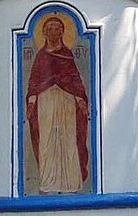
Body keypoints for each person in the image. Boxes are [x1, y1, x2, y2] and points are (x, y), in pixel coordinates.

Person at [25, 14, 90, 193]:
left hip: (66, 100)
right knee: (47, 140)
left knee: (68, 138)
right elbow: (34, 81)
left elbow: (74, 79)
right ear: (44, 33)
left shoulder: (67, 54)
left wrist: (80, 99)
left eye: (57, 29)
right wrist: (31, 102)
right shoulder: (40, 56)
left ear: (62, 31)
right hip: (46, 101)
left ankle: (70, 183)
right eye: (50, 29)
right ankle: (47, 183)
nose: (53, 32)